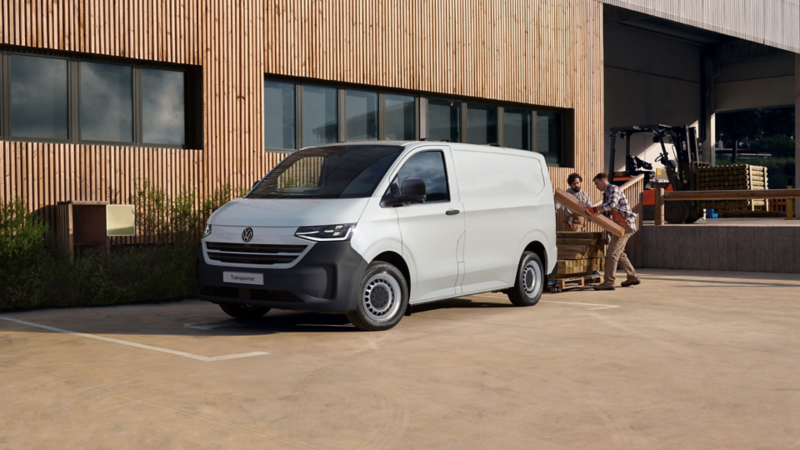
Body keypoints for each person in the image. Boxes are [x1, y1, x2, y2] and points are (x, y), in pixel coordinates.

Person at [586, 173, 640, 290]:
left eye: (597, 183)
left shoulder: (614, 189)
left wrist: (594, 209)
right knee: (619, 254)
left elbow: (611, 205)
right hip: (619, 227)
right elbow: (606, 213)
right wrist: (591, 216)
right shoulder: (606, 193)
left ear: (603, 180)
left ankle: (609, 282)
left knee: (612, 254)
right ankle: (632, 276)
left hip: (625, 226)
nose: (596, 186)